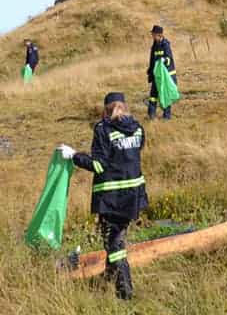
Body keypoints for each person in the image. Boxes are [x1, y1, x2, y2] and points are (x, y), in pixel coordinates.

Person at [59, 92, 147, 300]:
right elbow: (136, 152)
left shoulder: (102, 129)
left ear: (105, 109)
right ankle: (108, 279)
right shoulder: (137, 128)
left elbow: (99, 165)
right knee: (115, 238)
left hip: (113, 198)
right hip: (134, 195)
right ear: (124, 107)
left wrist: (74, 156)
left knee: (114, 244)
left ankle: (125, 292)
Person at [146, 25, 176, 120]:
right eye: (152, 34)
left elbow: (169, 59)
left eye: (153, 34)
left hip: (166, 75)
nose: (152, 36)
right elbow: (152, 60)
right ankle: (151, 115)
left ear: (159, 35)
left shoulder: (166, 45)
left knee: (165, 95)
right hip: (157, 75)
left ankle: (167, 116)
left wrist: (164, 60)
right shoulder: (154, 45)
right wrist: (150, 71)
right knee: (153, 96)